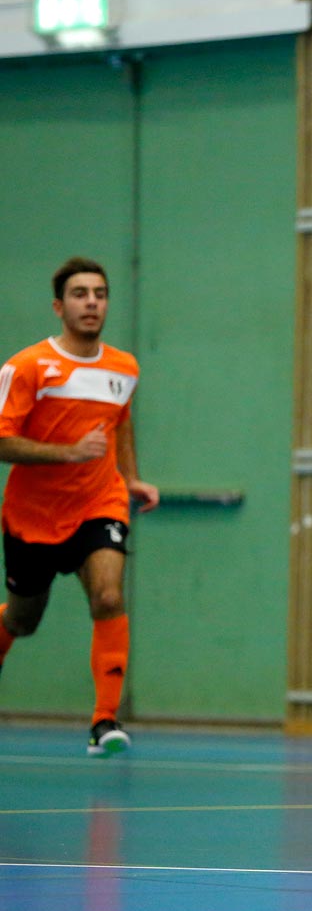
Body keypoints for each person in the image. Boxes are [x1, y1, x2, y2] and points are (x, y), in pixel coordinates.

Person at [0, 257, 159, 757]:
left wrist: (130, 479)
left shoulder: (124, 367)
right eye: (80, 293)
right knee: (24, 620)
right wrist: (67, 453)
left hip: (99, 502)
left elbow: (121, 422)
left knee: (109, 597)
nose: (92, 302)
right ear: (58, 306)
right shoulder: (26, 367)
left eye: (100, 293)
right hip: (33, 517)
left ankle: (103, 722)